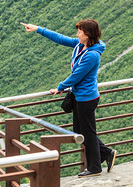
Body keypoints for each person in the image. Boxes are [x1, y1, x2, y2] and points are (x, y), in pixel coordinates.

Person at [20, 20, 116, 177]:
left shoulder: (92, 55)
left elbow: (77, 75)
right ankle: (106, 153)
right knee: (79, 131)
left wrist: (60, 87)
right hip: (80, 96)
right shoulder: (80, 45)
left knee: (88, 133)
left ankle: (94, 167)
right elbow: (60, 38)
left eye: (80, 31)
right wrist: (38, 29)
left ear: (88, 34)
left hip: (87, 99)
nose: (77, 34)